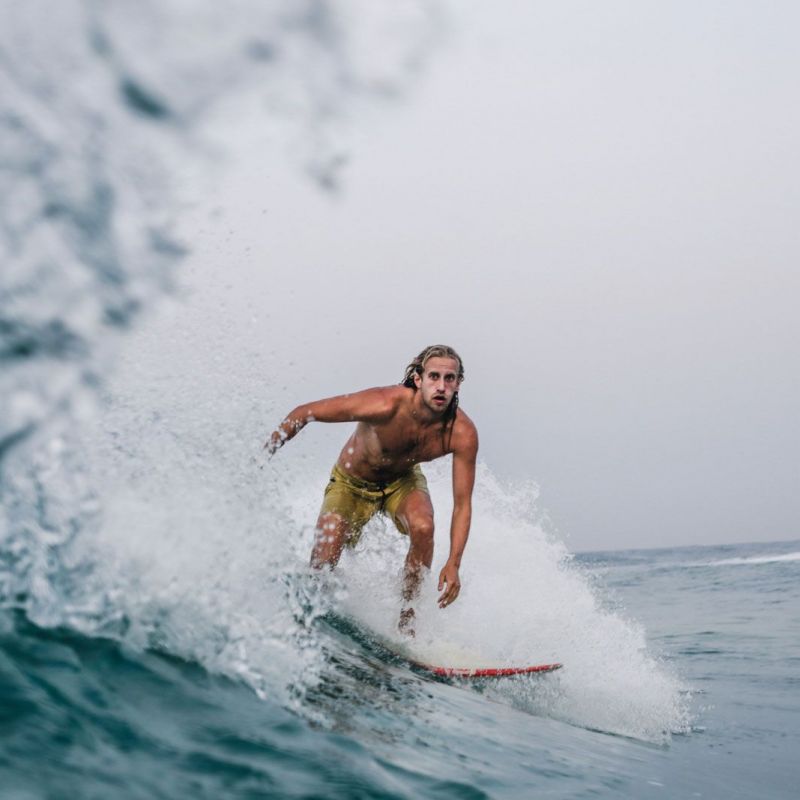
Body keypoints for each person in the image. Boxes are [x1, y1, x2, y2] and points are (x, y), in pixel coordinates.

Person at [265, 344, 479, 635]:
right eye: (434, 377)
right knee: (321, 568)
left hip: (401, 482)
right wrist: (261, 458)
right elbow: (306, 412)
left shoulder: (461, 432)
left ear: (458, 383)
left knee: (423, 526)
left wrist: (454, 563)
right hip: (350, 484)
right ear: (418, 379)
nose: (441, 386)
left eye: (449, 378)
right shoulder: (385, 404)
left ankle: (408, 620)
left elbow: (463, 505)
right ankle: (308, 621)